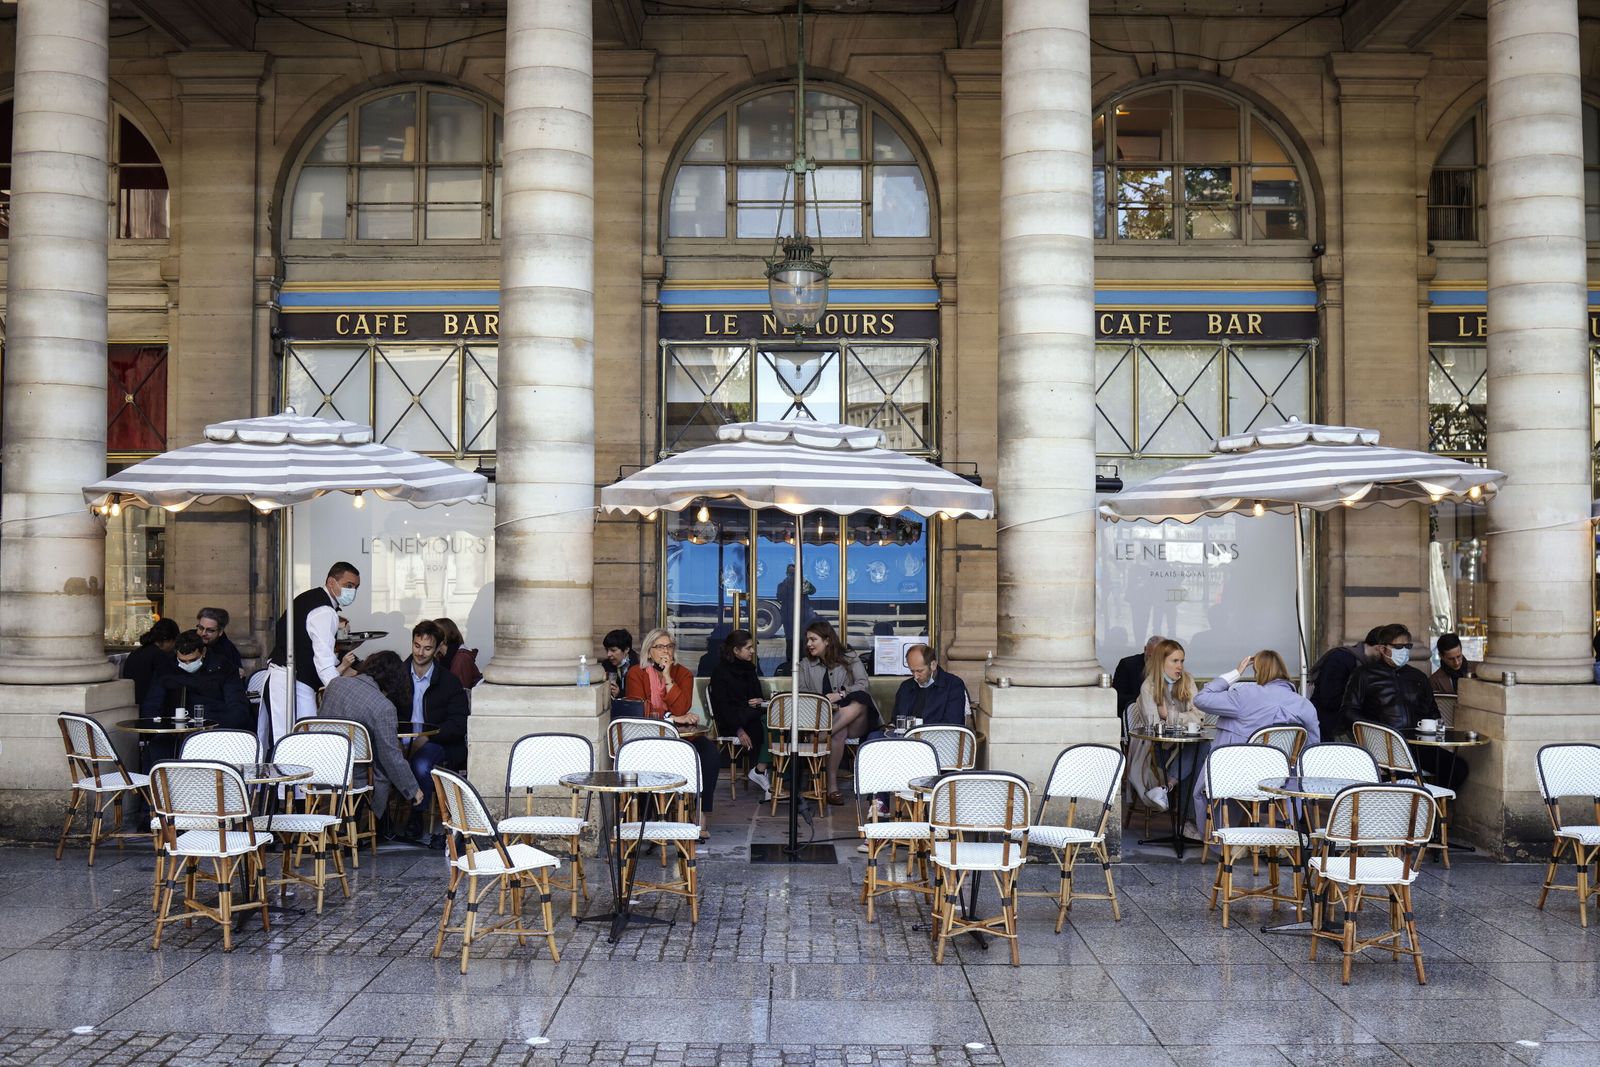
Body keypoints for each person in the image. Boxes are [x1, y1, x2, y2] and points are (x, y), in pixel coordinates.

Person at [1192, 649, 1320, 818]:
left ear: (1258, 671)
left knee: (1203, 790)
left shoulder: (1244, 695)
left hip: (1236, 776)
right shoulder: (1304, 704)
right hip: (1281, 780)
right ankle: (1284, 826)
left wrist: (1236, 673)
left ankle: (1221, 839)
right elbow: (1313, 747)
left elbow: (1201, 698)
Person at [1340, 622, 1464, 790]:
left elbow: (1432, 711)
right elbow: (1348, 711)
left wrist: (1434, 730)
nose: (1404, 650)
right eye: (1399, 647)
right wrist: (1376, 731)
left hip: (1419, 745)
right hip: (1386, 747)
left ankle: (1433, 808)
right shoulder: (1363, 675)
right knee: (1409, 778)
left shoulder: (1417, 677)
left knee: (1458, 768)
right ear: (1383, 649)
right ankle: (1423, 809)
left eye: (1408, 646)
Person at [623, 627, 721, 837]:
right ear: (649, 652)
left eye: (669, 646)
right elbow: (640, 710)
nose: (666, 651)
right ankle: (647, 814)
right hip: (648, 739)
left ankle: (702, 812)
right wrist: (670, 718)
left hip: (680, 739)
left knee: (709, 753)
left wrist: (668, 678)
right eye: (660, 647)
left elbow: (682, 708)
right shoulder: (635, 674)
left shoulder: (682, 673)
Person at [318, 650, 425, 826]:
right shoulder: (383, 707)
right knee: (385, 764)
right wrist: (413, 789)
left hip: (323, 766)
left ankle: (349, 825)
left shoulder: (335, 684)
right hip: (355, 774)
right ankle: (369, 825)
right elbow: (390, 755)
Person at [267, 562, 361, 739]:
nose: (352, 591)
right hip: (293, 681)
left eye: (356, 587)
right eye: (348, 586)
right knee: (301, 739)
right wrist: (343, 695)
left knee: (289, 737)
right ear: (331, 582)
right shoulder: (324, 611)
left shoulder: (308, 598)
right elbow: (324, 663)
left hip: (286, 676)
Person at [1127, 638, 1204, 840]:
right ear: (1161, 662)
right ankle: (1188, 821)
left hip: (1183, 747)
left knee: (1200, 749)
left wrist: (1169, 715)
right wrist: (1182, 719)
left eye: (1182, 661)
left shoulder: (1187, 681)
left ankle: (1168, 785)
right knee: (1197, 755)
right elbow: (1154, 726)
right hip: (1158, 750)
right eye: (1175, 661)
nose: (1180, 666)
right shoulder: (1149, 687)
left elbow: (1199, 716)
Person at [797, 619, 876, 807]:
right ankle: (832, 788)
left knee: (861, 702)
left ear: (826, 640)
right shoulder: (805, 665)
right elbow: (801, 693)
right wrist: (822, 702)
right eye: (807, 640)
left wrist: (840, 694)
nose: (808, 644)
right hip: (826, 719)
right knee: (839, 732)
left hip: (856, 719)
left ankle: (822, 736)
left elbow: (863, 684)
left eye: (813, 639)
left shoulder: (848, 656)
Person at [404, 619, 471, 832]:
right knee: (378, 762)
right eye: (417, 646)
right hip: (399, 739)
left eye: (427, 648)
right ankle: (378, 822)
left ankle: (416, 814)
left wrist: (428, 736)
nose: (420, 653)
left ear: (437, 650)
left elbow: (459, 723)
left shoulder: (449, 681)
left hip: (436, 741)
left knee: (421, 765)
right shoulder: (398, 674)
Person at [142, 629, 253, 730]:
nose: (187, 664)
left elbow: (237, 707)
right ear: (176, 653)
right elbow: (152, 705)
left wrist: (217, 729)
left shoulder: (224, 668)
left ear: (203, 652)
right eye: (182, 661)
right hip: (174, 730)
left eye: (192, 660)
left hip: (216, 729)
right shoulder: (166, 670)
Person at [708, 629, 773, 800]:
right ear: (736, 650)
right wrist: (738, 730)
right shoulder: (720, 672)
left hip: (750, 715)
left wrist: (759, 700)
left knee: (775, 724)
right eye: (748, 648)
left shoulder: (750, 668)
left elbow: (757, 696)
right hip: (730, 721)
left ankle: (761, 771)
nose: (752, 651)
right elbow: (722, 706)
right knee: (767, 726)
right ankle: (762, 772)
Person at [1309, 627, 1382, 742]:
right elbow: (1329, 698)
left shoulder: (1369, 664)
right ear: (1379, 648)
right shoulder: (1340, 659)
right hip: (1331, 728)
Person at [892, 643, 970, 727]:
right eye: (912, 671)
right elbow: (896, 719)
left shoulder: (953, 685)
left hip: (939, 738)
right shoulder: (906, 687)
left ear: (933, 665)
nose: (915, 676)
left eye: (920, 671)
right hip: (906, 738)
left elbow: (953, 722)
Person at [121, 618, 179, 706]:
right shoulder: (160, 656)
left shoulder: (136, 653)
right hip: (150, 706)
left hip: (132, 704)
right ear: (169, 640)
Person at [1111, 635, 1161, 718]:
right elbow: (1117, 697)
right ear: (1145, 649)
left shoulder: (1169, 666)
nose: (1154, 662)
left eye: (1159, 658)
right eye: (1151, 657)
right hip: (1133, 717)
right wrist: (1146, 698)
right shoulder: (1128, 664)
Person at [776, 565, 817, 663]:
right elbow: (780, 596)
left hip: (803, 618)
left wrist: (804, 582)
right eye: (791, 573)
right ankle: (790, 664)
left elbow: (813, 591)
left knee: (803, 641)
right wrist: (787, 584)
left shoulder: (802, 583)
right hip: (789, 619)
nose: (793, 575)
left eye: (794, 573)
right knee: (790, 642)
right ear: (787, 574)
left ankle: (803, 662)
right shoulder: (783, 584)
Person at [431, 617, 482, 692]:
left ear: (443, 638)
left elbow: (457, 692)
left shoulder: (461, 659)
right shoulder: (441, 657)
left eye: (431, 635)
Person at [195, 607, 244, 677]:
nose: (203, 633)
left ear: (220, 632)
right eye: (201, 628)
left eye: (210, 630)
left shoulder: (227, 650)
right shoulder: (188, 638)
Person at [602, 628, 638, 701]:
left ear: (626, 649)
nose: (609, 654)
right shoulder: (606, 665)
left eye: (613, 650)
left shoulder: (638, 666)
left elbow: (638, 695)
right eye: (607, 650)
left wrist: (620, 694)